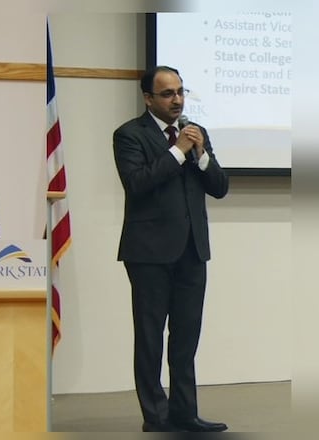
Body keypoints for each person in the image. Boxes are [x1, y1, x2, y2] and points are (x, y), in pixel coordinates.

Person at [112, 65, 229, 432]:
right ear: (148, 98)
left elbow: (220, 187)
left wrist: (200, 154)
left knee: (186, 337)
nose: (177, 99)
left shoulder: (196, 134)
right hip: (148, 253)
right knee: (149, 336)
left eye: (180, 91)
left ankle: (185, 413)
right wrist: (178, 152)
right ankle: (156, 417)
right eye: (167, 93)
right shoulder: (129, 135)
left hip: (192, 250)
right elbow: (138, 183)